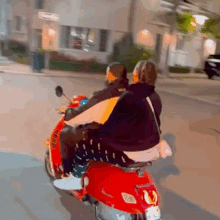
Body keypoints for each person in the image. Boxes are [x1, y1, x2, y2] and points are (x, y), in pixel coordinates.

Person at [53, 60, 166, 190]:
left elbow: (112, 127)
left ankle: (73, 180)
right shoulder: (154, 97)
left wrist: (94, 134)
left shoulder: (128, 96)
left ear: (136, 75)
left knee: (85, 145)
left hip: (129, 152)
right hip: (151, 149)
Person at [58, 62, 129, 176]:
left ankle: (68, 173)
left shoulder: (103, 95)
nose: (106, 76)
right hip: (124, 134)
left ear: (111, 75)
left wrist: (67, 112)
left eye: (107, 73)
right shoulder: (131, 92)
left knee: (66, 134)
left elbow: (80, 114)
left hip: (105, 134)